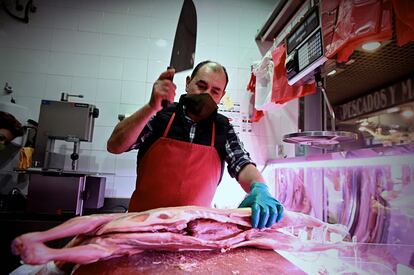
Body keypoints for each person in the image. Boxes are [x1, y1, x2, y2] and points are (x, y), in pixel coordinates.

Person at [107, 60, 284, 229]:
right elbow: (115, 145)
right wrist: (151, 107)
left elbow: (242, 163)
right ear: (188, 82)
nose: (206, 94)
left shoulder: (222, 127)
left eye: (215, 91)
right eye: (201, 86)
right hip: (140, 226)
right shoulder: (160, 115)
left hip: (192, 232)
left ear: (221, 96)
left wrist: (260, 188)